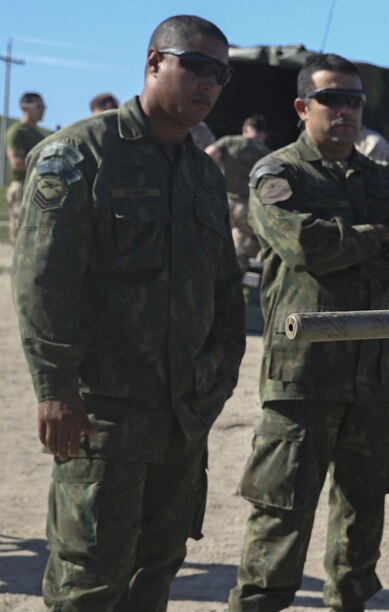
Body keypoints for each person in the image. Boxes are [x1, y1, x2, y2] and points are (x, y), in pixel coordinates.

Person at [11, 15, 244, 610]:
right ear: (153, 63)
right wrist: (56, 388)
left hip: (180, 419)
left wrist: (215, 380)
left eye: (220, 73)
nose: (208, 83)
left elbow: (225, 292)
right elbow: (44, 282)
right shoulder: (80, 154)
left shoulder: (202, 175)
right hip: (101, 418)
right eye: (194, 65)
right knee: (88, 579)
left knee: (156, 572)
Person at [228, 53, 389, 612]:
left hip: (371, 379)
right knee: (279, 521)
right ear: (302, 107)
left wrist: (347, 247)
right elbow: (301, 245)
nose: (345, 110)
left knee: (360, 524)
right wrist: (375, 236)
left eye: (354, 100)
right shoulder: (278, 174)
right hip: (301, 379)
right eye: (331, 99)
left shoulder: (387, 180)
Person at [205, 114, 271, 271]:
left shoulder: (229, 142)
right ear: (263, 134)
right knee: (241, 253)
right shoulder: (268, 154)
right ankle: (233, 289)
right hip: (248, 207)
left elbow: (205, 159)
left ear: (246, 130)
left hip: (223, 204)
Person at [6, 92, 51, 240]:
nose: (42, 110)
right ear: (24, 107)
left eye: (43, 106)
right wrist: (46, 166)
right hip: (23, 187)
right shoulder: (18, 132)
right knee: (22, 234)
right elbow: (17, 163)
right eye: (38, 106)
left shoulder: (39, 134)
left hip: (38, 186)